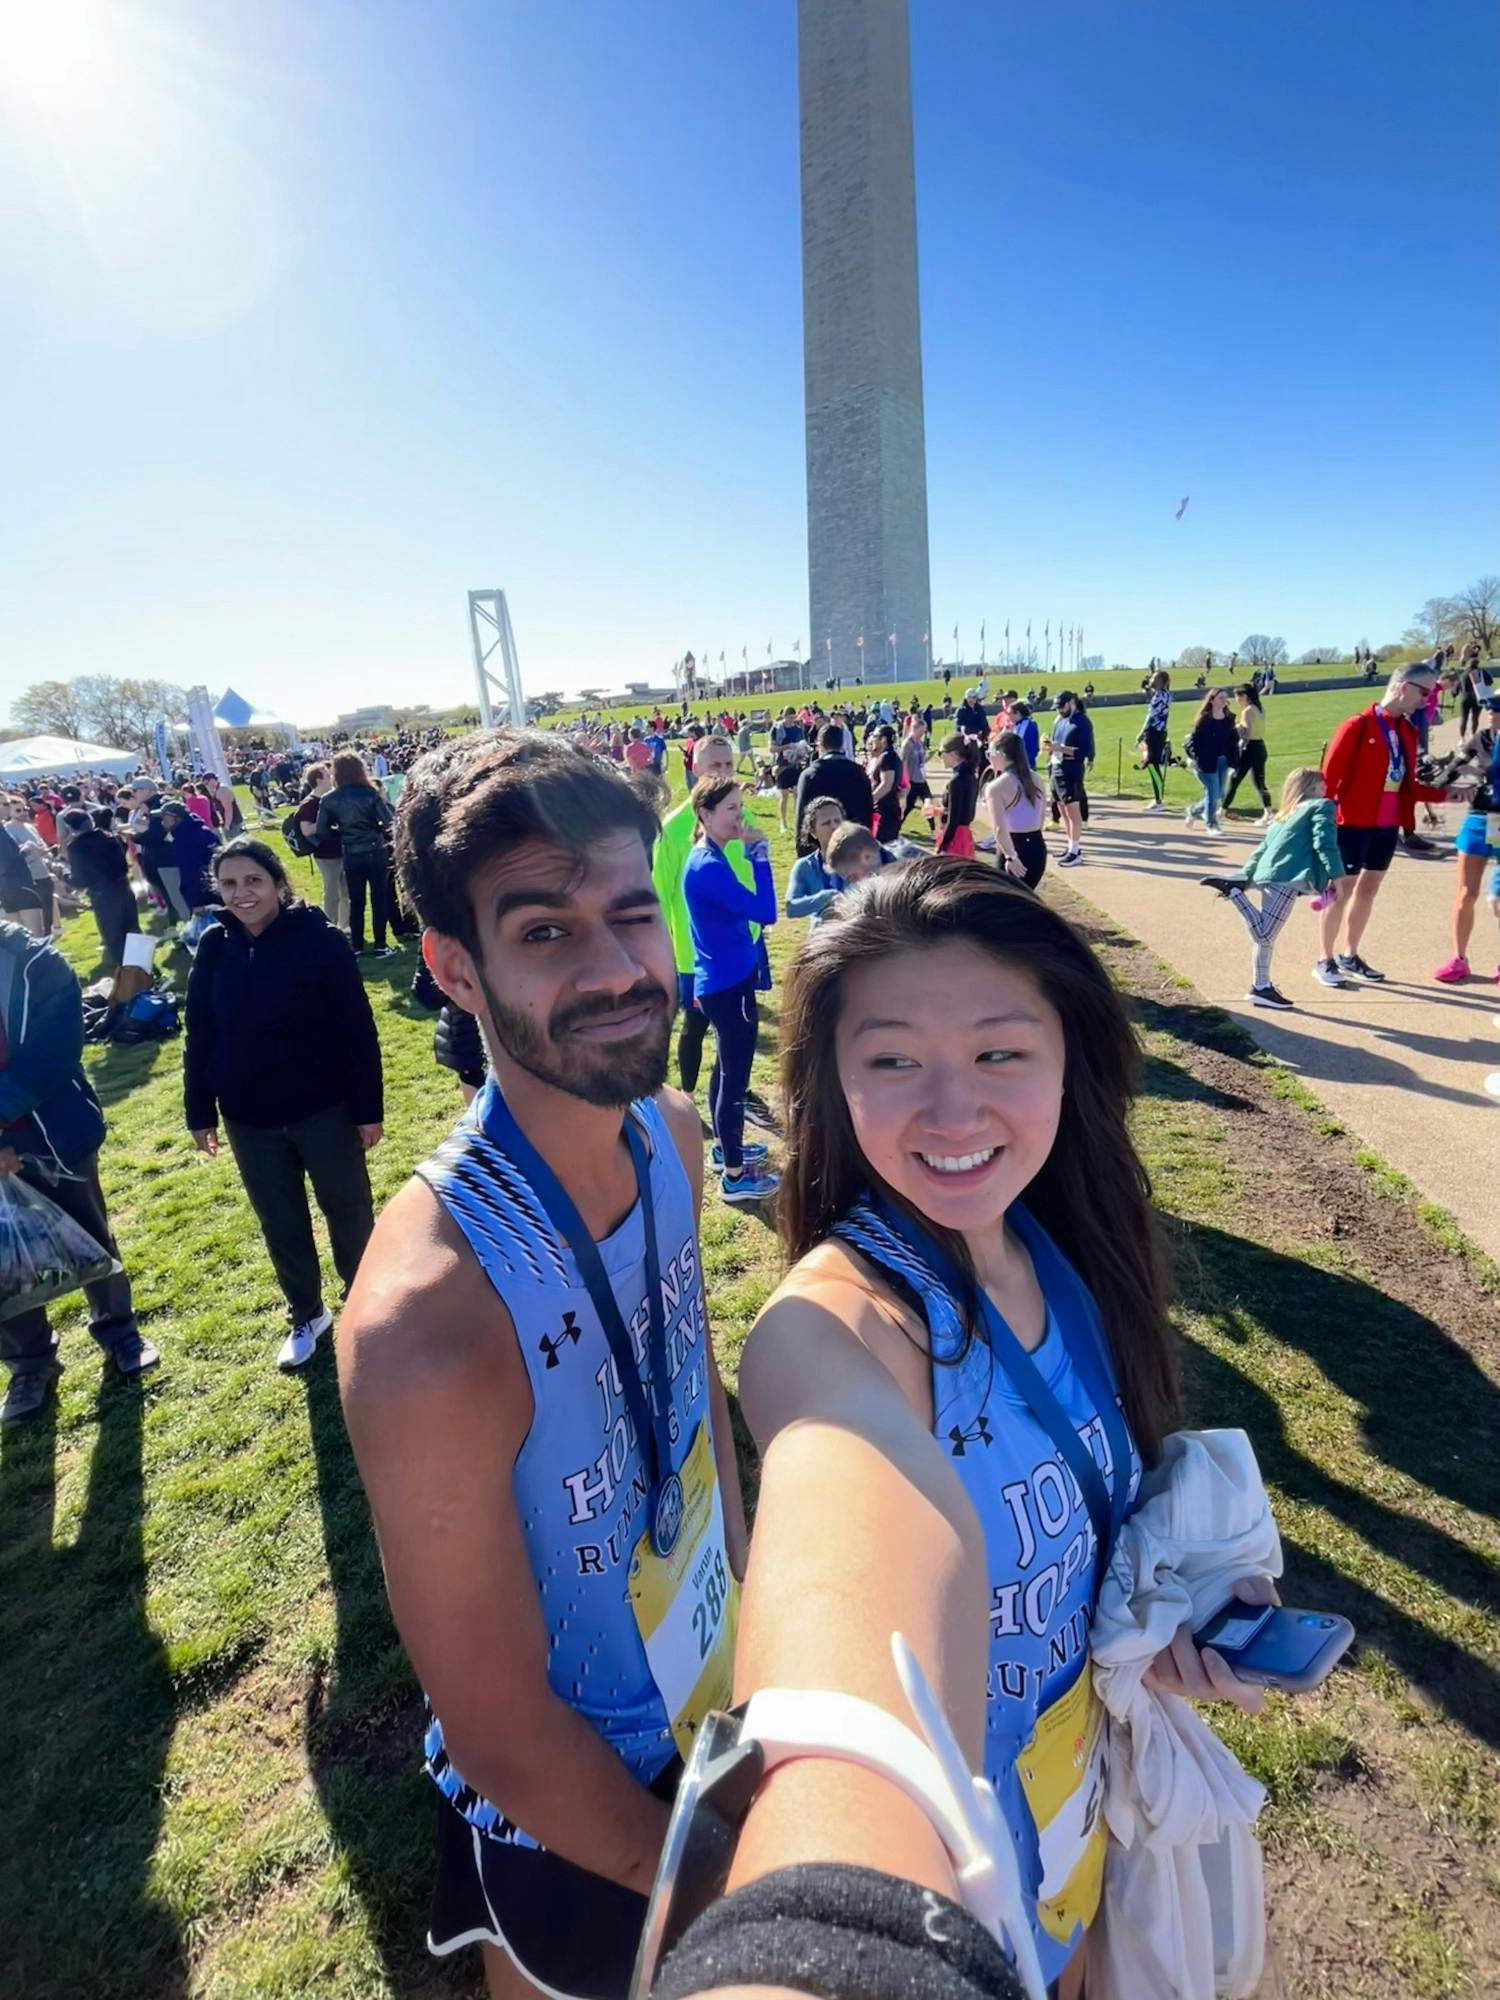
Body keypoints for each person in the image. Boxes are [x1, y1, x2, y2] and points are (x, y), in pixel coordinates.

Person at [739, 858, 1267, 1999]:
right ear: (831, 1082)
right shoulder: (834, 1332)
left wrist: (1182, 1611)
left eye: (997, 1051)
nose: (951, 1110)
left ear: (1070, 1056)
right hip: (953, 1925)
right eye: (891, 1059)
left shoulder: (1061, 1246)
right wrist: (814, 1936)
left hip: (1073, 1842)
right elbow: (831, 1669)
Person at [334, 729, 746, 2000]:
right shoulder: (428, 1321)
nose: (623, 969)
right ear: (454, 968)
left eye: (633, 912)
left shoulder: (668, 1128)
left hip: (719, 1701)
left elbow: (699, 1404)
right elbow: (502, 1728)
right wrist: (735, 1879)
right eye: (547, 932)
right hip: (586, 1808)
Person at [184, 840, 382, 1371]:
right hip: (249, 1116)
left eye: (253, 881)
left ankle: (367, 1303)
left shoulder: (321, 940)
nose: (242, 893)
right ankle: (306, 1312)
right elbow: (199, 1034)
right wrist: (199, 1111)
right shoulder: (212, 947)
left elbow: (356, 1029)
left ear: (278, 883)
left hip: (324, 1107)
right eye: (229, 884)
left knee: (348, 1208)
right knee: (280, 1220)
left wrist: (368, 1107)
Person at [0, 921, 158, 1423]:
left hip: (54, 1131)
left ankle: (119, 1330)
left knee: (89, 1232)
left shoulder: (37, 963)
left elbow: (51, 1057)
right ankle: (29, 1364)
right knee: (4, 1259)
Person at [1316, 660, 1466, 988]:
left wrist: (1451, 794)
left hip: (1386, 827)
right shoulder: (1356, 726)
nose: (1427, 700)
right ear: (1401, 686)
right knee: (1341, 892)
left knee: (1368, 891)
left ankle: (1349, 954)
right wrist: (1322, 830)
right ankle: (1324, 960)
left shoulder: (1407, 731)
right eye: (1424, 692)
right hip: (1351, 824)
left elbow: (1408, 785)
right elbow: (1327, 783)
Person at [650, 735, 763, 1119]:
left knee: (736, 1032)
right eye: (715, 766)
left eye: (729, 765)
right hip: (694, 955)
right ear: (694, 771)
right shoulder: (674, 828)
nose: (723, 772)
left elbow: (751, 880)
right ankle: (688, 1103)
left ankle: (733, 1095)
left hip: (742, 947)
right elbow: (659, 896)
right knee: (695, 1029)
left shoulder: (742, 818)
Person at [683, 776, 780, 1205]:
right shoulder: (707, 866)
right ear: (703, 815)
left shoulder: (709, 857)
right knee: (734, 1078)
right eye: (731, 810)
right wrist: (759, 856)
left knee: (725, 1068)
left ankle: (726, 1150)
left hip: (722, 981)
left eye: (740, 807)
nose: (740, 817)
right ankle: (737, 1177)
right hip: (727, 985)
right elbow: (766, 912)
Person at [1199, 768, 1343, 1009]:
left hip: (1270, 875)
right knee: (1265, 935)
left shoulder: (1284, 816)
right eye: (1321, 785)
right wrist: (1337, 875)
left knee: (1264, 939)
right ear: (1310, 788)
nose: (1325, 789)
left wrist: (1244, 876)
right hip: (1286, 877)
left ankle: (1261, 986)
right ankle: (1232, 893)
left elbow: (1261, 850)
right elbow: (1324, 842)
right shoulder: (1321, 806)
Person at [1433, 691, 1500, 984]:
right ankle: (1459, 959)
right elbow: (1450, 772)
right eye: (1488, 706)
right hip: (1477, 819)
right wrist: (1434, 778)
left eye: (1496, 708)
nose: (1490, 711)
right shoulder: (1481, 738)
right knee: (1465, 895)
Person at [313, 751, 398, 958]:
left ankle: (357, 945)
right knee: (379, 898)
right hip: (375, 849)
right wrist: (373, 828)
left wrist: (342, 831)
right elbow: (388, 822)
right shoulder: (370, 793)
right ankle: (380, 944)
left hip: (351, 852)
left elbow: (322, 831)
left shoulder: (329, 799)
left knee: (355, 900)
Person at [57, 805, 139, 967]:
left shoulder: (77, 847)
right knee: (132, 930)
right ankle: (144, 967)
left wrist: (62, 873)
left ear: (71, 828)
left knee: (114, 936)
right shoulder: (110, 837)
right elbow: (123, 865)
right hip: (123, 887)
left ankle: (128, 973)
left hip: (103, 895)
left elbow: (80, 881)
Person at [982, 731, 1048, 889]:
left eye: (989, 753)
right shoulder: (1037, 780)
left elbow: (999, 829)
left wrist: (1011, 857)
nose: (988, 758)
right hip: (1037, 846)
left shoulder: (996, 787)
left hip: (1014, 849)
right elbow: (1040, 819)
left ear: (1000, 754)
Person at [793, 723, 875, 849]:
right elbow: (867, 813)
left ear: (819, 746)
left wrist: (802, 851)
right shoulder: (859, 773)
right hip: (853, 847)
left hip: (820, 848)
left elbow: (802, 818)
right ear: (841, 745)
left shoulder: (810, 775)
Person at [295, 762, 350, 931]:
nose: (331, 778)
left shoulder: (330, 798)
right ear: (318, 780)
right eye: (327, 775)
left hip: (340, 850)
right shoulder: (309, 804)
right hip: (325, 855)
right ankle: (330, 926)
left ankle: (345, 925)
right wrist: (324, 824)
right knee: (332, 893)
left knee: (346, 892)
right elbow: (306, 830)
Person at [785, 795, 847, 924]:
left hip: (858, 939)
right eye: (826, 823)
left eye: (837, 821)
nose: (834, 826)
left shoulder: (864, 860)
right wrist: (823, 898)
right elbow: (791, 908)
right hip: (821, 939)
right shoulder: (805, 866)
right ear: (813, 832)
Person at [1182, 689, 1237, 833]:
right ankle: (1211, 824)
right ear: (1212, 700)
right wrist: (1194, 758)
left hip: (1223, 761)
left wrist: (1235, 761)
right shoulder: (1204, 720)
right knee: (1213, 794)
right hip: (1206, 763)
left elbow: (1233, 740)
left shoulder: (1229, 718)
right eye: (1220, 698)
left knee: (1218, 794)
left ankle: (1193, 811)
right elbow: (1193, 742)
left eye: (1225, 698)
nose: (1224, 700)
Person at [1221, 683, 1273, 820]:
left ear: (1244, 696)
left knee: (1235, 779)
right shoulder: (1259, 709)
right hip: (1260, 746)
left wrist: (1238, 733)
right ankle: (1268, 812)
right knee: (1259, 781)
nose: (1236, 700)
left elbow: (1248, 733)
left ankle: (1222, 810)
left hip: (1249, 748)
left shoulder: (1247, 711)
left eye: (1237, 697)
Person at [160, 800, 220, 916]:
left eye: (164, 818)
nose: (162, 822)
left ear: (175, 818)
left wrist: (196, 902)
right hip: (218, 886)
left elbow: (190, 873)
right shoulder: (204, 831)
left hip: (204, 896)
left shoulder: (183, 840)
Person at [1046, 694, 1087, 865]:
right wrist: (1050, 745)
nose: (1059, 710)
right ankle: (1070, 846)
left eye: (1061, 707)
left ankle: (1075, 850)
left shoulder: (1081, 721)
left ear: (1071, 703)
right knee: (1063, 811)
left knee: (1073, 812)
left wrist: (1059, 748)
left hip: (1070, 770)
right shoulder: (1060, 720)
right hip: (1056, 768)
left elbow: (1083, 751)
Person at [929, 735, 979, 858]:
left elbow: (954, 819)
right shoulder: (971, 775)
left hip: (955, 837)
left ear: (954, 754)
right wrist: (942, 811)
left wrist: (942, 847)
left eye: (942, 752)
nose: (940, 757)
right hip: (964, 834)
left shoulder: (956, 780)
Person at [1136, 671, 1172, 811]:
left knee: (1153, 765)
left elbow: (1150, 717)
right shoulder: (1166, 694)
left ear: (1162, 681)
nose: (1152, 680)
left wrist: (1140, 733)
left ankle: (1159, 800)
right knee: (1152, 764)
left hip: (1154, 733)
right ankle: (1158, 798)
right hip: (1160, 732)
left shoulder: (1159, 696)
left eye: (1155, 678)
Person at [869, 724, 904, 844]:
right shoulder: (893, 756)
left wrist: (869, 800)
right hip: (891, 807)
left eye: (875, 737)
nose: (873, 740)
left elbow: (886, 784)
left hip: (885, 809)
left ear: (883, 739)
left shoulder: (887, 757)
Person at [898, 714, 931, 825]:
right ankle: (897, 826)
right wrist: (905, 781)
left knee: (928, 801)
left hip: (921, 778)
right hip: (912, 780)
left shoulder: (920, 743)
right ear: (915, 729)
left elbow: (921, 761)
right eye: (921, 731)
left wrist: (929, 757)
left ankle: (933, 829)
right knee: (908, 806)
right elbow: (904, 762)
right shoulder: (907, 744)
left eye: (924, 731)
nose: (923, 733)